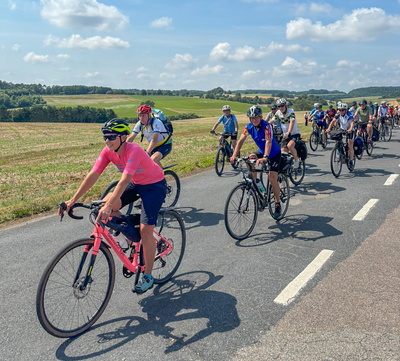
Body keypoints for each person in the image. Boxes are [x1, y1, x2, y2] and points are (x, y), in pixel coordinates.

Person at [59, 118, 167, 294]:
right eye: (105, 137)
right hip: (136, 183)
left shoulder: (135, 150)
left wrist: (110, 205)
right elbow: (93, 174)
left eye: (111, 137)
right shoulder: (108, 151)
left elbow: (124, 180)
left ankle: (147, 276)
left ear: (123, 137)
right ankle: (126, 238)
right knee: (101, 207)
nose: (107, 140)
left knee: (146, 231)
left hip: (154, 185)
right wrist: (72, 200)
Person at [230, 105, 283, 216]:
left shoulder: (267, 126)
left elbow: (268, 142)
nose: (253, 120)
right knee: (249, 160)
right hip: (261, 150)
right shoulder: (248, 127)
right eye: (251, 118)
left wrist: (265, 157)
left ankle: (277, 203)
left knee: (272, 179)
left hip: (273, 154)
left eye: (256, 118)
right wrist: (234, 155)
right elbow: (240, 141)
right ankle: (258, 184)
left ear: (260, 117)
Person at [326, 102, 355, 170]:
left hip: (350, 129)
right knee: (335, 135)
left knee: (350, 143)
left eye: (342, 110)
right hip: (342, 128)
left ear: (345, 110)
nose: (341, 111)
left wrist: (350, 129)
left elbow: (352, 122)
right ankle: (338, 148)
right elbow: (333, 121)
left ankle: (351, 160)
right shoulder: (338, 114)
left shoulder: (349, 114)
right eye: (340, 110)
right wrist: (328, 128)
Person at [274, 98, 301, 168]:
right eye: (279, 106)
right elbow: (272, 120)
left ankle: (296, 160)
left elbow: (292, 122)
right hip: (285, 135)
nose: (281, 108)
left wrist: (288, 132)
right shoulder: (278, 113)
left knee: (290, 146)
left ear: (285, 105)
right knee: (283, 151)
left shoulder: (290, 111)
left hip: (294, 134)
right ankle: (286, 166)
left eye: (282, 106)